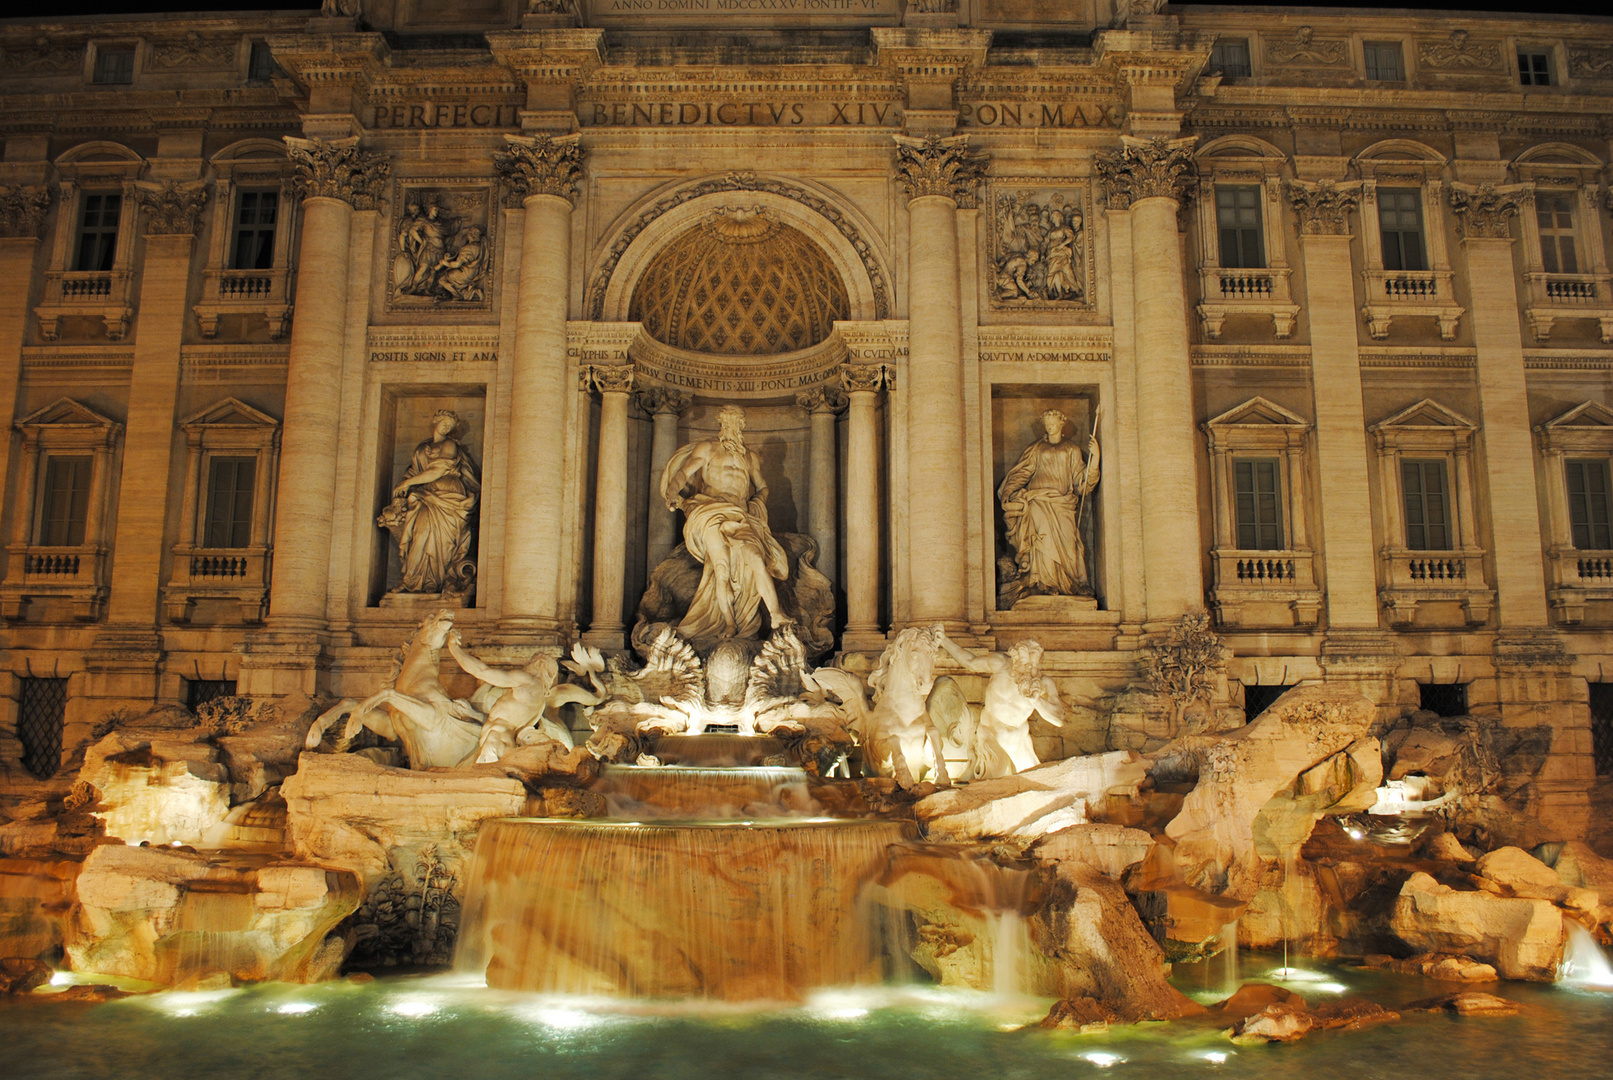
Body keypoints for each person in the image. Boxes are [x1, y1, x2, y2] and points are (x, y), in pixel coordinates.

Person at [660, 404, 792, 648]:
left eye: (737, 421)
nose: (732, 425)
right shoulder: (708, 448)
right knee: (720, 569)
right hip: (710, 511)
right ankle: (729, 623)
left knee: (755, 556)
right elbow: (683, 472)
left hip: (740, 515)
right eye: (728, 421)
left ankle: (776, 614)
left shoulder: (750, 457)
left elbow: (762, 487)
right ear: (721, 424)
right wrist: (672, 492)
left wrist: (757, 502)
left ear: (742, 425)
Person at [446, 631, 600, 763]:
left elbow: (481, 671)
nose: (526, 666)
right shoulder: (542, 699)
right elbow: (596, 698)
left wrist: (454, 649)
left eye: (530, 662)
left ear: (538, 665)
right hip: (507, 744)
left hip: (495, 740)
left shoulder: (526, 680)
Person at [998, 408, 1099, 599]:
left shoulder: (1072, 450)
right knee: (1041, 538)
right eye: (1047, 423)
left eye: (1053, 422)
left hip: (1063, 504)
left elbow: (1083, 483)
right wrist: (1009, 491)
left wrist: (1095, 459)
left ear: (1062, 424)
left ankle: (1070, 584)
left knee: (1070, 542)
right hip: (1037, 500)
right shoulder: (1037, 448)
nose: (1049, 426)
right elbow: (1023, 472)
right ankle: (1042, 582)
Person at [935, 635, 1065, 777]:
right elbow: (970, 662)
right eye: (1025, 665)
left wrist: (1036, 701)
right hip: (991, 734)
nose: (1029, 671)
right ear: (1015, 659)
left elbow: (1058, 719)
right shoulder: (1000, 664)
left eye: (1033, 666)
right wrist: (944, 641)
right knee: (997, 780)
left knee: (1036, 782)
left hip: (1019, 740)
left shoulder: (1042, 682)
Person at [386, 410, 481, 594]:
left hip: (448, 496)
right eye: (444, 424)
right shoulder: (422, 448)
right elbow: (414, 471)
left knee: (442, 543)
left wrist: (408, 483)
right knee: (420, 535)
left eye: (450, 427)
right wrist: (403, 485)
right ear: (435, 421)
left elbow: (437, 471)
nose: (446, 428)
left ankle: (434, 582)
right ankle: (412, 580)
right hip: (425, 495)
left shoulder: (450, 445)